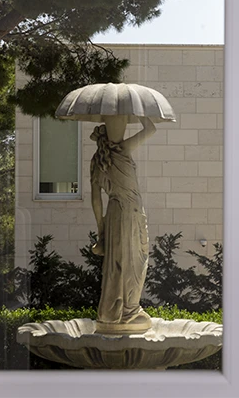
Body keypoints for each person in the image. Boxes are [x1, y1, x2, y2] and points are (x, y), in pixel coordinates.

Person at [89, 115, 156, 334]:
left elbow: (96, 200)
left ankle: (119, 310)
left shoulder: (98, 158)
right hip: (130, 213)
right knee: (134, 261)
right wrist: (140, 112)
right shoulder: (123, 148)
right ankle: (128, 310)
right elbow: (151, 129)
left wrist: (101, 230)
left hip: (118, 213)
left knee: (123, 262)